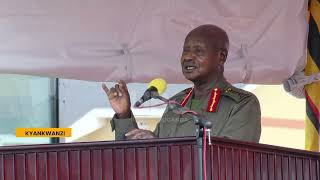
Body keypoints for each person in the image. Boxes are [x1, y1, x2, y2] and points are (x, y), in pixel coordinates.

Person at [102, 24, 261, 142]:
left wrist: (160, 147)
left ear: (221, 57)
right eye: (185, 50)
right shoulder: (177, 102)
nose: (188, 57)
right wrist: (124, 115)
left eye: (198, 51)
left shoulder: (242, 104)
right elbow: (144, 156)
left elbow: (231, 160)